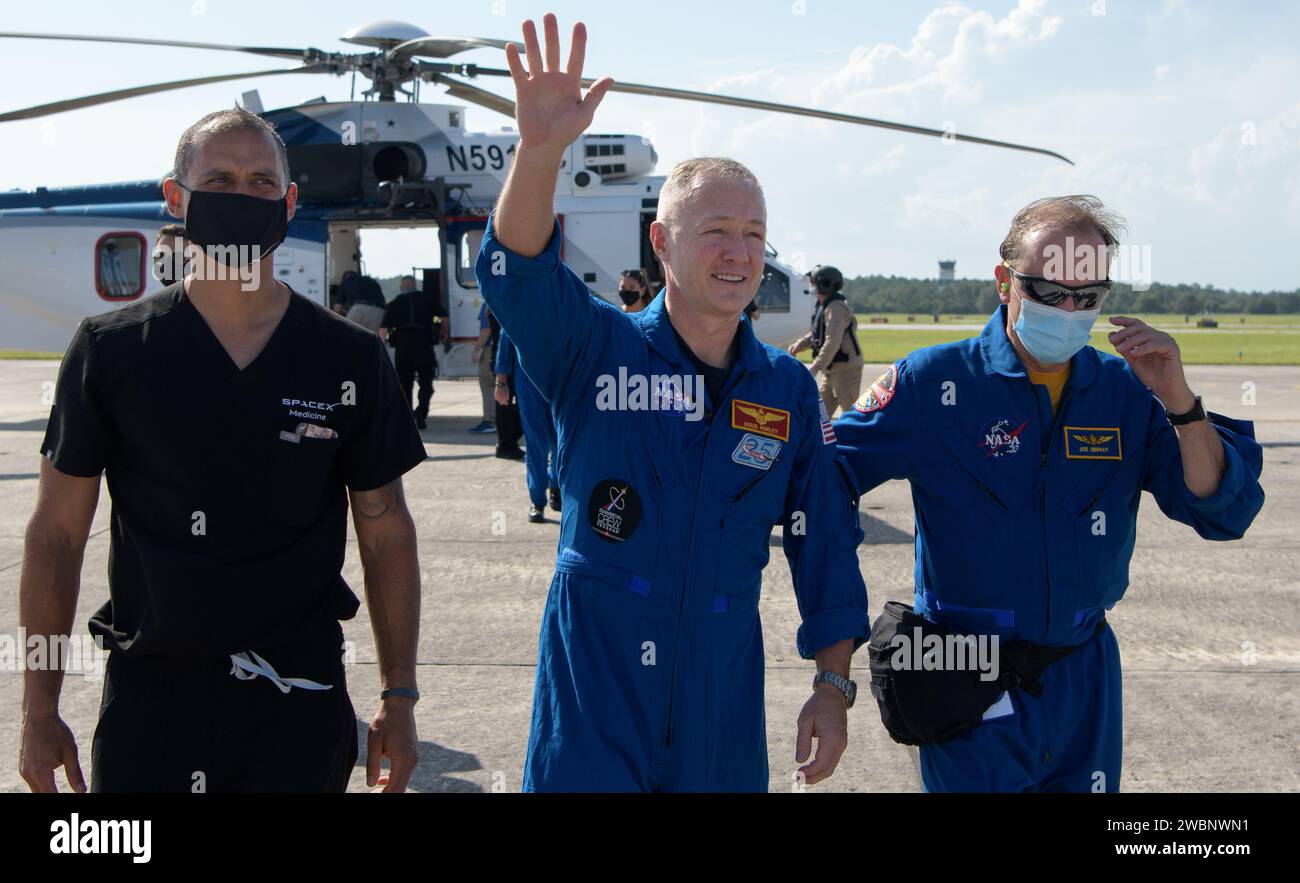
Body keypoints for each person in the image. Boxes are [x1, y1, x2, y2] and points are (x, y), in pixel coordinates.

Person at [476, 14, 868, 792]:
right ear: (661, 243)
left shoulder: (784, 389)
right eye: (715, 229)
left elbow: (823, 540)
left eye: (754, 233)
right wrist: (541, 151)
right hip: (597, 687)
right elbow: (517, 272)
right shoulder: (595, 349)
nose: (739, 251)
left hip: (719, 694)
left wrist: (833, 685)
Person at [18, 107, 428, 794]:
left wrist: (401, 695)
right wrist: (38, 706)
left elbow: (386, 531)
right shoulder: (109, 352)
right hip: (152, 707)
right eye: (220, 178)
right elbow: (56, 536)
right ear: (175, 198)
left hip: (298, 704)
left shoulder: (348, 357)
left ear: (290, 202)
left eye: (262, 182)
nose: (242, 197)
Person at [834, 195, 1265, 792]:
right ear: (1005, 282)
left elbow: (1224, 509)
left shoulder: (1126, 394)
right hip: (964, 666)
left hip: (1081, 674)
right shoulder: (934, 383)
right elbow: (826, 477)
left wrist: (1181, 405)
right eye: (1048, 290)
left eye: (1087, 297)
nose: (1068, 309)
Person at [494, 327, 560, 522]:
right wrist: (501, 381)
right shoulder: (520, 302)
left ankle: (557, 487)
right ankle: (537, 501)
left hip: (560, 380)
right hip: (528, 384)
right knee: (536, 443)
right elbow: (506, 336)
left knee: (562, 440)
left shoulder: (563, 300)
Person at [788, 265, 862, 417]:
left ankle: (859, 441)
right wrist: (801, 344)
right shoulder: (825, 306)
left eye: (814, 283)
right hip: (831, 369)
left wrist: (816, 366)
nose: (812, 286)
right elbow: (818, 334)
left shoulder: (836, 307)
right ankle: (820, 441)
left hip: (845, 370)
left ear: (824, 285)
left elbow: (832, 340)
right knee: (820, 416)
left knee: (852, 414)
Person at [381, 274, 438, 429]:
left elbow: (383, 329)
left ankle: (408, 418)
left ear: (401, 287)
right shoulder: (427, 300)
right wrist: (444, 333)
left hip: (403, 349)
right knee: (426, 384)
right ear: (415, 285)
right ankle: (421, 414)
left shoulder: (393, 304)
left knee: (405, 385)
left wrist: (379, 350)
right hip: (424, 347)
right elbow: (444, 317)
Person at [467, 303, 497, 434]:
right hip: (505, 348)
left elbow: (486, 330)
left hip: (490, 349)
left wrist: (477, 348)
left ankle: (490, 420)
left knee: (488, 384)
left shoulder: (488, 303)